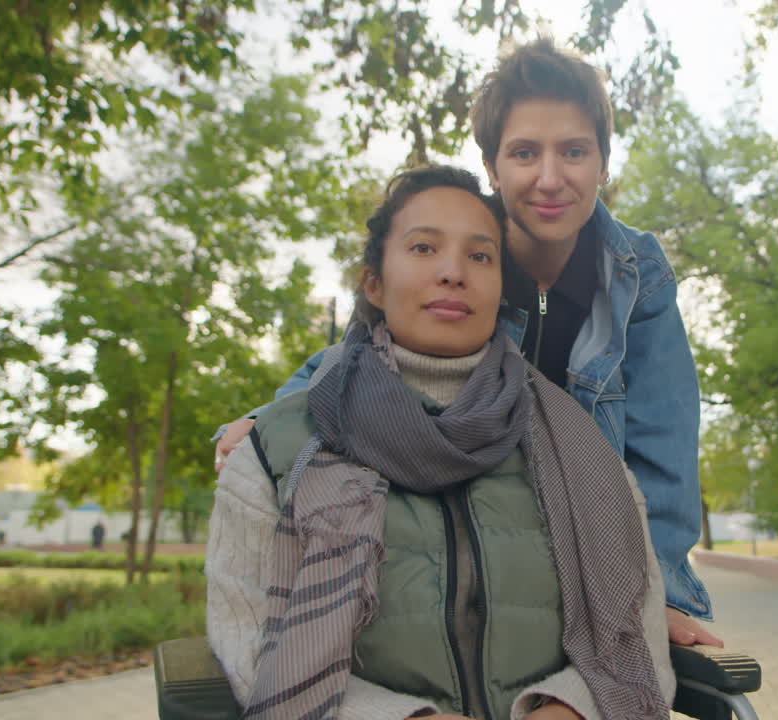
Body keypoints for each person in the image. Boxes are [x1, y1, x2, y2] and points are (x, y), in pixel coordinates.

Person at [213, 37, 720, 648]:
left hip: (587, 537)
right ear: (493, 167)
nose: (550, 178)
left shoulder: (637, 273)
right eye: (525, 153)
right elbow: (362, 353)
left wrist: (650, 592)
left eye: (575, 152)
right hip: (469, 527)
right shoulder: (464, 253)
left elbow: (663, 441)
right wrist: (264, 417)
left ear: (603, 165)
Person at [206, 166, 674, 720]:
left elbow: (637, 631)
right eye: (424, 247)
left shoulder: (581, 451)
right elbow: (249, 646)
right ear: (373, 283)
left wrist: (572, 710)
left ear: (502, 288)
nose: (453, 272)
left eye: (480, 256)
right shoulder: (276, 451)